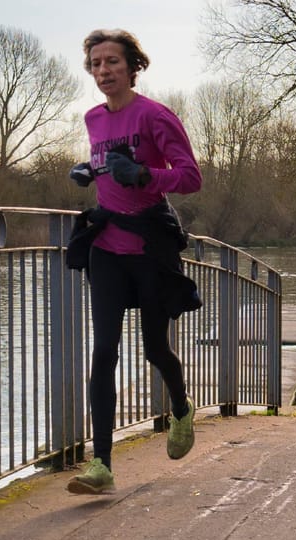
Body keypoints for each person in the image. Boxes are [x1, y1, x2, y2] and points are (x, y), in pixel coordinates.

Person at [65, 29, 203, 495]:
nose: (103, 71)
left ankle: (181, 409)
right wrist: (91, 170)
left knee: (154, 349)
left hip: (149, 247)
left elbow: (190, 178)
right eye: (96, 64)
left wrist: (145, 173)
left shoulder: (155, 116)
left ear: (132, 67)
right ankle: (100, 464)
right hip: (106, 247)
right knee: (103, 351)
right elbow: (106, 165)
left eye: (112, 63)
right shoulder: (93, 119)